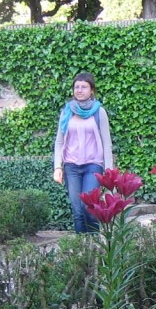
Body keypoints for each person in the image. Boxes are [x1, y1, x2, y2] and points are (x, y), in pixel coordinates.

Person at [53, 72, 114, 233]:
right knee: (77, 211)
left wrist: (109, 172)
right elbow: (59, 142)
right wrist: (57, 167)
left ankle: (94, 243)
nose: (79, 90)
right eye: (77, 87)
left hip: (93, 166)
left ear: (91, 90)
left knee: (88, 206)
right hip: (71, 166)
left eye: (84, 87)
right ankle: (81, 245)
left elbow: (107, 143)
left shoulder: (99, 112)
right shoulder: (67, 111)